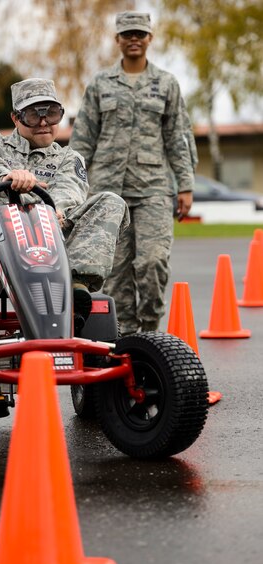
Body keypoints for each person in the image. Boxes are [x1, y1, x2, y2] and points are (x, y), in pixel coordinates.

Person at [0, 78, 129, 343]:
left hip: (51, 240)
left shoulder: (69, 158)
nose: (44, 122)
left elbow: (69, 192)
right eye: (33, 114)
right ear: (16, 118)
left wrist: (54, 210)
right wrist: (6, 175)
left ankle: (76, 285)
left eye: (51, 114)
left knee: (111, 201)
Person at [70, 11, 197, 335]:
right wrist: (72, 188)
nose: (134, 39)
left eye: (140, 34)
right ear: (118, 40)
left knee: (152, 263)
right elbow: (83, 139)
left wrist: (185, 185)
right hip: (108, 192)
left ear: (150, 38)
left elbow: (177, 137)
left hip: (153, 189)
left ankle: (151, 333)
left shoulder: (166, 84)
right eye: (127, 34)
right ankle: (125, 338)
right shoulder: (100, 84)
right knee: (116, 273)